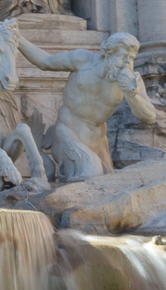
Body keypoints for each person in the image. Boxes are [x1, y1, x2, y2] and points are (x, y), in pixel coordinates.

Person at [18, 33, 157, 181]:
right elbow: (45, 61)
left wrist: (132, 95)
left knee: (107, 184)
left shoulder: (132, 81)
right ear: (107, 54)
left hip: (99, 142)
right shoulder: (83, 60)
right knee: (91, 176)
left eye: (131, 58)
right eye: (123, 56)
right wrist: (18, 38)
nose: (127, 62)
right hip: (68, 134)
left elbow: (150, 117)